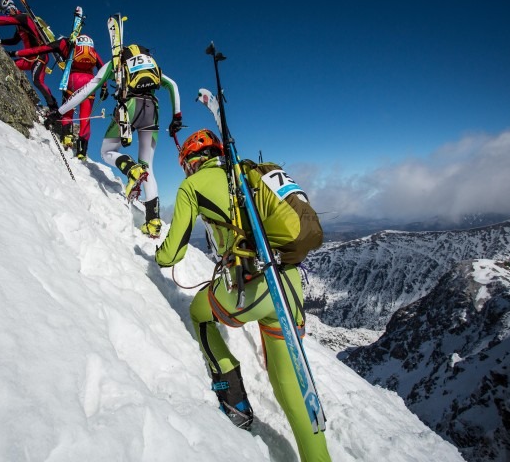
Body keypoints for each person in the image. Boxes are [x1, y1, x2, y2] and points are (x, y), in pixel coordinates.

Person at [154, 129, 332, 462]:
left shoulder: (192, 186)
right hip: (290, 286)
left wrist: (157, 255)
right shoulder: (248, 176)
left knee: (199, 312)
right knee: (291, 389)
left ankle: (230, 388)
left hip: (247, 287)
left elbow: (172, 254)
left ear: (191, 162)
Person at [47, 43, 182, 237]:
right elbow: (172, 85)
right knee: (148, 166)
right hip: (152, 109)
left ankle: (130, 169)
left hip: (129, 107)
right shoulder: (149, 65)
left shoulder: (117, 63)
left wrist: (59, 112)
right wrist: (177, 116)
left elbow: (87, 89)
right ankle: (153, 222)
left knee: (107, 151)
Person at [12, 34, 108, 159]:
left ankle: (66, 136)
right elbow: (102, 66)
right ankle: (81, 151)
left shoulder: (64, 44)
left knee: (68, 109)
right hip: (90, 81)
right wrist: (104, 86)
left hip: (72, 80)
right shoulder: (90, 48)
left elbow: (39, 50)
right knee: (85, 116)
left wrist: (16, 53)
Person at [0, 0, 58, 110]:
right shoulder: (19, 26)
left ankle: (53, 106)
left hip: (39, 56)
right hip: (28, 58)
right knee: (9, 65)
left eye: (8, 11)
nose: (8, 14)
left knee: (37, 81)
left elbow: (6, 21)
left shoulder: (23, 17)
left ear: (13, 7)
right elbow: (14, 41)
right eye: (5, 13)